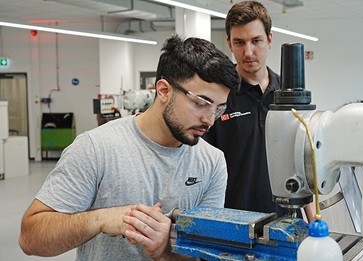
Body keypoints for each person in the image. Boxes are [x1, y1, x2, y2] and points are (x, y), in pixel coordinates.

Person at [19, 35, 240, 261]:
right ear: (164, 90)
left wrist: (165, 252)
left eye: (219, 108)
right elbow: (31, 238)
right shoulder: (96, 148)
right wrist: (102, 219)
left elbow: (206, 252)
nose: (210, 120)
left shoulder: (212, 162)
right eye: (201, 103)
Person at [203, 1, 291, 216]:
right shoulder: (217, 95)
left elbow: (302, 164)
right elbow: (201, 164)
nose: (248, 52)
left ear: (269, 40)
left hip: (284, 219)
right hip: (232, 220)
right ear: (229, 44)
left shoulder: (288, 94)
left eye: (256, 41)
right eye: (240, 42)